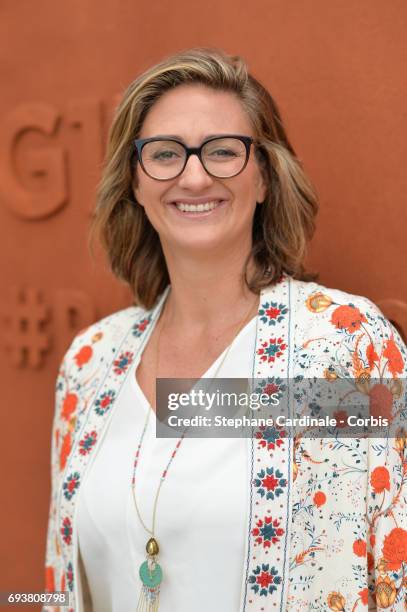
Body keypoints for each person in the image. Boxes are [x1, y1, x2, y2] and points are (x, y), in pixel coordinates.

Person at [44, 48, 407, 612]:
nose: (194, 175)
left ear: (264, 177)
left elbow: (396, 569)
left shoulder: (346, 346)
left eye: (222, 151)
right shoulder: (90, 362)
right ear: (135, 184)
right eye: (165, 154)